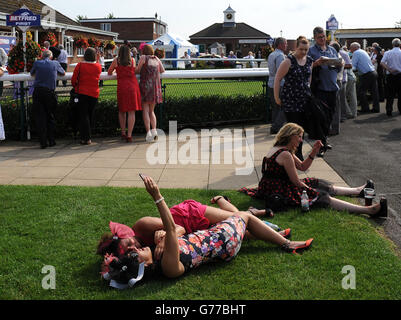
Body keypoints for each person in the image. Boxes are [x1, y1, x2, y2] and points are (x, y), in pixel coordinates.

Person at [99, 175, 314, 287]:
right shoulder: (168, 267)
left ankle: (267, 226)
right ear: (144, 266)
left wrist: (113, 267)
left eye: (129, 250)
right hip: (222, 241)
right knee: (244, 217)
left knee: (243, 222)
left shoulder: (161, 258)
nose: (136, 248)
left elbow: (174, 231)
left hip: (214, 238)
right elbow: (173, 229)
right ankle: (285, 243)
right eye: (135, 254)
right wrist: (157, 196)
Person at [241, 122, 387, 217]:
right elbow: (296, 182)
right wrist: (311, 192)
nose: (300, 140)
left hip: (271, 186)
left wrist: (314, 151)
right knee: (321, 196)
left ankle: (357, 191)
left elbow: (303, 167)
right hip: (278, 189)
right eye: (299, 137)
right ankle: (368, 210)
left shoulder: (280, 148)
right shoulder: (285, 154)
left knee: (315, 182)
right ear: (290, 136)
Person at [97, 193, 294, 261]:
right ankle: (254, 215)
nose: (133, 246)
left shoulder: (142, 226)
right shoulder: (138, 252)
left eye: (129, 242)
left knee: (239, 219)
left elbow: (179, 229)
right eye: (128, 250)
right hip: (194, 234)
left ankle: (222, 200)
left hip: (190, 214)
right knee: (244, 232)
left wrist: (166, 238)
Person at [274, 36, 313, 161]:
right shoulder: (288, 61)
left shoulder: (309, 60)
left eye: (306, 50)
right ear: (296, 47)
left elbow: (309, 78)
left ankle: (297, 153)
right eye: (301, 49)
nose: (303, 52)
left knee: (301, 129)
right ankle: (291, 154)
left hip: (303, 99)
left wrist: (308, 91)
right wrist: (277, 97)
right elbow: (277, 79)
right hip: (290, 100)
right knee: (293, 130)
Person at [308, 27, 343, 155]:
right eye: (319, 37)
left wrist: (339, 64)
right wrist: (316, 63)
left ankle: (324, 139)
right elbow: (306, 67)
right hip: (320, 88)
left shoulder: (332, 49)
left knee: (329, 116)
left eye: (323, 36)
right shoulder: (311, 51)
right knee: (320, 118)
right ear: (314, 38)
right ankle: (320, 145)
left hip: (333, 87)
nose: (322, 39)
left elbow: (338, 68)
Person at [30, 50, 65, 149]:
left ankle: (43, 142)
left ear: (42, 56)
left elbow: (32, 74)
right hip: (49, 92)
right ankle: (52, 140)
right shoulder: (55, 63)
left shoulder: (37, 62)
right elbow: (63, 73)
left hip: (38, 92)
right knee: (50, 116)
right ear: (51, 56)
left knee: (40, 118)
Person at [108, 45, 142, 142]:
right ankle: (129, 135)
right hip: (132, 86)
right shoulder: (132, 60)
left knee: (122, 111)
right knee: (132, 112)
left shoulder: (116, 61)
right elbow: (134, 71)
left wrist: (116, 70)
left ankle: (123, 133)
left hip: (122, 87)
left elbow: (109, 72)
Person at [71, 47, 102, 145]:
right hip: (94, 93)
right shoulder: (98, 66)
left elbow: (73, 80)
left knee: (83, 116)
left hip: (82, 93)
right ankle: (88, 136)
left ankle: (86, 138)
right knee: (90, 115)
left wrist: (76, 87)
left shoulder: (80, 66)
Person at [135, 44, 165, 142]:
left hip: (145, 86)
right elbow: (162, 70)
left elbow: (138, 70)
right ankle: (154, 131)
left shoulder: (143, 57)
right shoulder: (156, 58)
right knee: (152, 111)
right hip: (155, 87)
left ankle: (148, 133)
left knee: (145, 111)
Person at [349, 42, 380, 114]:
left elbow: (353, 66)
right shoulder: (363, 51)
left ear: (354, 48)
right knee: (374, 92)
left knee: (361, 92)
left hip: (367, 74)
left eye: (351, 47)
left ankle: (365, 108)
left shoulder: (356, 53)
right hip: (373, 72)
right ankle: (376, 108)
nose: (350, 49)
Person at [267, 37, 287, 134]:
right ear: (280, 45)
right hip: (279, 84)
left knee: (275, 107)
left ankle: (275, 125)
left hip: (271, 82)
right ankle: (276, 126)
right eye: (285, 44)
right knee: (282, 106)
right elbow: (281, 72)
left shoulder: (271, 54)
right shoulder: (280, 55)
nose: (286, 45)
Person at [380, 38, 401, 117]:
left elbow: (382, 63)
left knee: (390, 94)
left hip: (391, 75)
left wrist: (389, 69)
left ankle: (389, 110)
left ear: (392, 45)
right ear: (400, 44)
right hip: (400, 75)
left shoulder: (388, 53)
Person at [342, 46, 358, 118]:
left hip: (347, 77)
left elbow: (349, 65)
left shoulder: (340, 53)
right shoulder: (345, 53)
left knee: (342, 96)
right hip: (352, 76)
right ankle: (354, 113)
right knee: (352, 96)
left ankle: (348, 112)